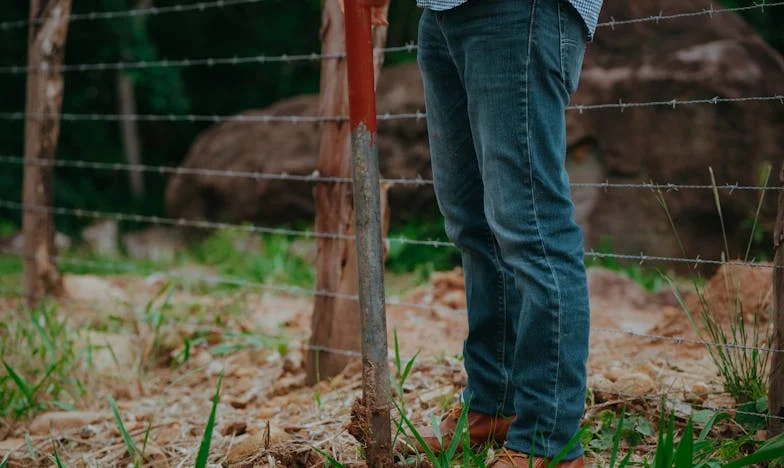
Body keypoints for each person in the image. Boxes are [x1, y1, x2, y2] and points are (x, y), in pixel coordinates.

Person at [407, 0, 603, 466]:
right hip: (442, 10)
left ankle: (547, 441)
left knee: (531, 226)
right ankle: (494, 404)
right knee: (472, 223)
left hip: (520, 10)